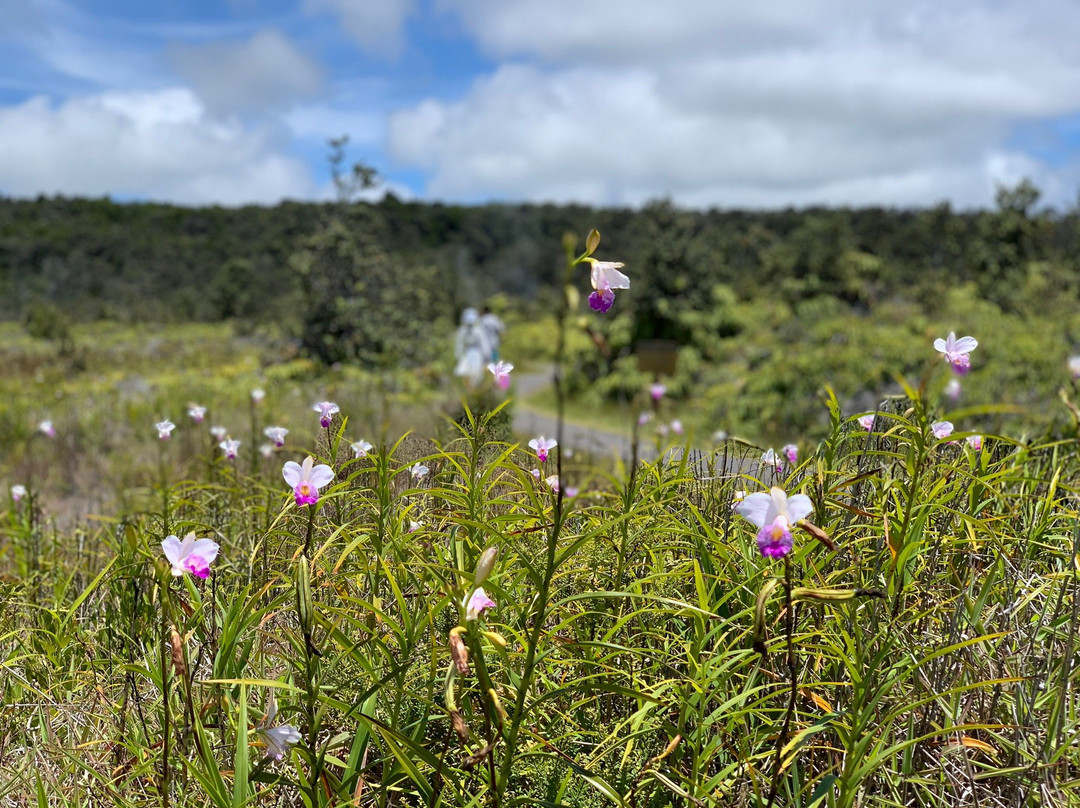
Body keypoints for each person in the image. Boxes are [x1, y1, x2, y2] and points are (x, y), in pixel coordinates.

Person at [454, 308, 492, 388]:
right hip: (468, 354)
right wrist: (458, 355)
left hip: (477, 354)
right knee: (464, 372)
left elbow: (484, 344)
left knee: (476, 373)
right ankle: (468, 389)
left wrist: (486, 355)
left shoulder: (478, 330)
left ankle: (475, 389)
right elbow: (459, 345)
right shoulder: (462, 331)